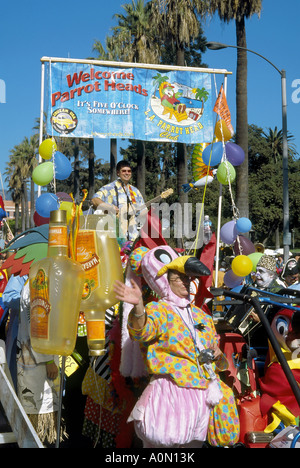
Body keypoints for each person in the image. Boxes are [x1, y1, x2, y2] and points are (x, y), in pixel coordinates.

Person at [114, 246, 240, 448]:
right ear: (165, 280)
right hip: (171, 395)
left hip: (201, 397)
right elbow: (141, 332)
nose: (185, 282)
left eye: (187, 278)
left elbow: (214, 352)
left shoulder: (201, 315)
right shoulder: (158, 309)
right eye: (179, 278)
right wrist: (138, 307)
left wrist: (215, 353)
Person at [91, 160, 147, 241]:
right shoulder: (109, 188)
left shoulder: (135, 191)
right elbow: (94, 200)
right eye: (123, 171)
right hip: (113, 238)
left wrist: (145, 213)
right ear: (118, 173)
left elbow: (143, 212)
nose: (127, 173)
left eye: (129, 171)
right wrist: (109, 207)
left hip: (133, 238)